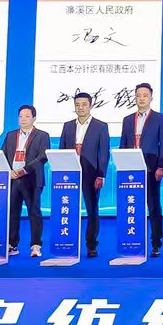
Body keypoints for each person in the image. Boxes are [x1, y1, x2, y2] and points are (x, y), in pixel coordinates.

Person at [121, 82, 163, 257]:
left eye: (145, 95)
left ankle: (156, 243)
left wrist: (161, 166)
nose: (141, 98)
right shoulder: (128, 120)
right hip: (131, 170)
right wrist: (122, 166)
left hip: (151, 169)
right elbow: (123, 144)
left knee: (153, 205)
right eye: (138, 95)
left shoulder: (160, 118)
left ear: (151, 98)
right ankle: (131, 241)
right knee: (132, 205)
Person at [59, 92, 110, 258]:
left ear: (90, 105)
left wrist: (101, 175)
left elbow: (104, 153)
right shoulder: (67, 126)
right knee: (67, 208)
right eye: (77, 104)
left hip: (91, 174)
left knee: (92, 210)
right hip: (70, 174)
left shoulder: (100, 126)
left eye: (84, 104)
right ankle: (67, 243)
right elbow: (61, 150)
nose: (80, 107)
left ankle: (91, 245)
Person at [4, 104, 49, 258]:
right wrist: (9, 171)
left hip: (32, 179)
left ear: (34, 118)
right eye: (21, 116)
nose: (23, 119)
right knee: (12, 212)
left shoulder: (42, 135)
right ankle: (12, 244)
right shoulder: (11, 135)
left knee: (34, 212)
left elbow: (43, 157)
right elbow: (3, 154)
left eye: (27, 116)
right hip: (13, 178)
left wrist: (24, 170)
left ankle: (36, 245)